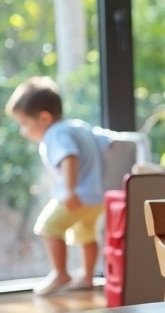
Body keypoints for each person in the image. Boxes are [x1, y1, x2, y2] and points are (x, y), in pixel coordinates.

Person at [6, 77, 109, 296]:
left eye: (24, 124)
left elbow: (69, 157)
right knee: (86, 235)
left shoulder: (56, 133)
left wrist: (70, 189)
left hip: (77, 195)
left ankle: (61, 273)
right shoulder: (78, 127)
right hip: (95, 197)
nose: (23, 131)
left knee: (47, 228)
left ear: (44, 118)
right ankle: (87, 276)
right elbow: (105, 143)